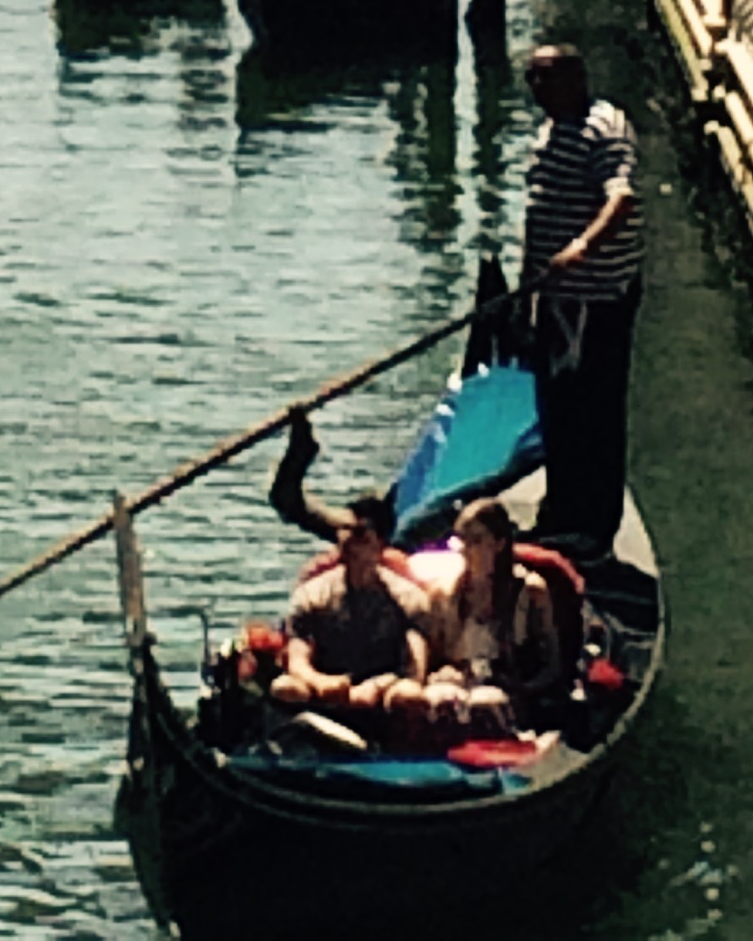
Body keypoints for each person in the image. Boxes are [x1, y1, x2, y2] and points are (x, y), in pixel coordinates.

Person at [519, 41, 644, 557]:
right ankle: (562, 510)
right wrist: (526, 292)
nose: (536, 88)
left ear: (575, 78)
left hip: (595, 300)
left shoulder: (604, 127)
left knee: (593, 409)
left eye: (545, 77)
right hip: (556, 299)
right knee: (559, 407)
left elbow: (622, 195)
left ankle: (592, 525)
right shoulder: (551, 130)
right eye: (531, 78)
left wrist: (582, 246)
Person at [267, 492, 429, 725]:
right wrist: (319, 681)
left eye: (359, 534)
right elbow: (297, 658)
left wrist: (378, 685)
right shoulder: (312, 596)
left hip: (382, 691)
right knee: (285, 687)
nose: (348, 541)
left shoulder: (408, 599)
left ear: (380, 544)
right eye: (343, 531)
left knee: (408, 694)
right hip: (328, 689)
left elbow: (415, 670)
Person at [416, 496, 566, 735]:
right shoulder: (444, 593)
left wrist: (523, 687)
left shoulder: (530, 592)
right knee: (436, 703)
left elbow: (552, 663)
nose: (465, 549)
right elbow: (433, 657)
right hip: (457, 684)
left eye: (475, 541)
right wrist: (442, 674)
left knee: (484, 706)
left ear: (499, 544)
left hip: (509, 690)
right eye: (462, 540)